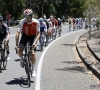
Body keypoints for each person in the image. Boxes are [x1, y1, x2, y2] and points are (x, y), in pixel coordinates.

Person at [15, 9, 40, 77]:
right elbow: (17, 33)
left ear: (31, 16)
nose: (27, 18)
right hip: (25, 36)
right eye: (25, 16)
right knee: (20, 50)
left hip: (33, 37)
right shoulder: (22, 22)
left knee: (33, 53)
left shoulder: (36, 22)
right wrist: (17, 45)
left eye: (28, 16)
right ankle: (22, 59)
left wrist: (35, 43)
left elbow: (38, 34)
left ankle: (33, 70)